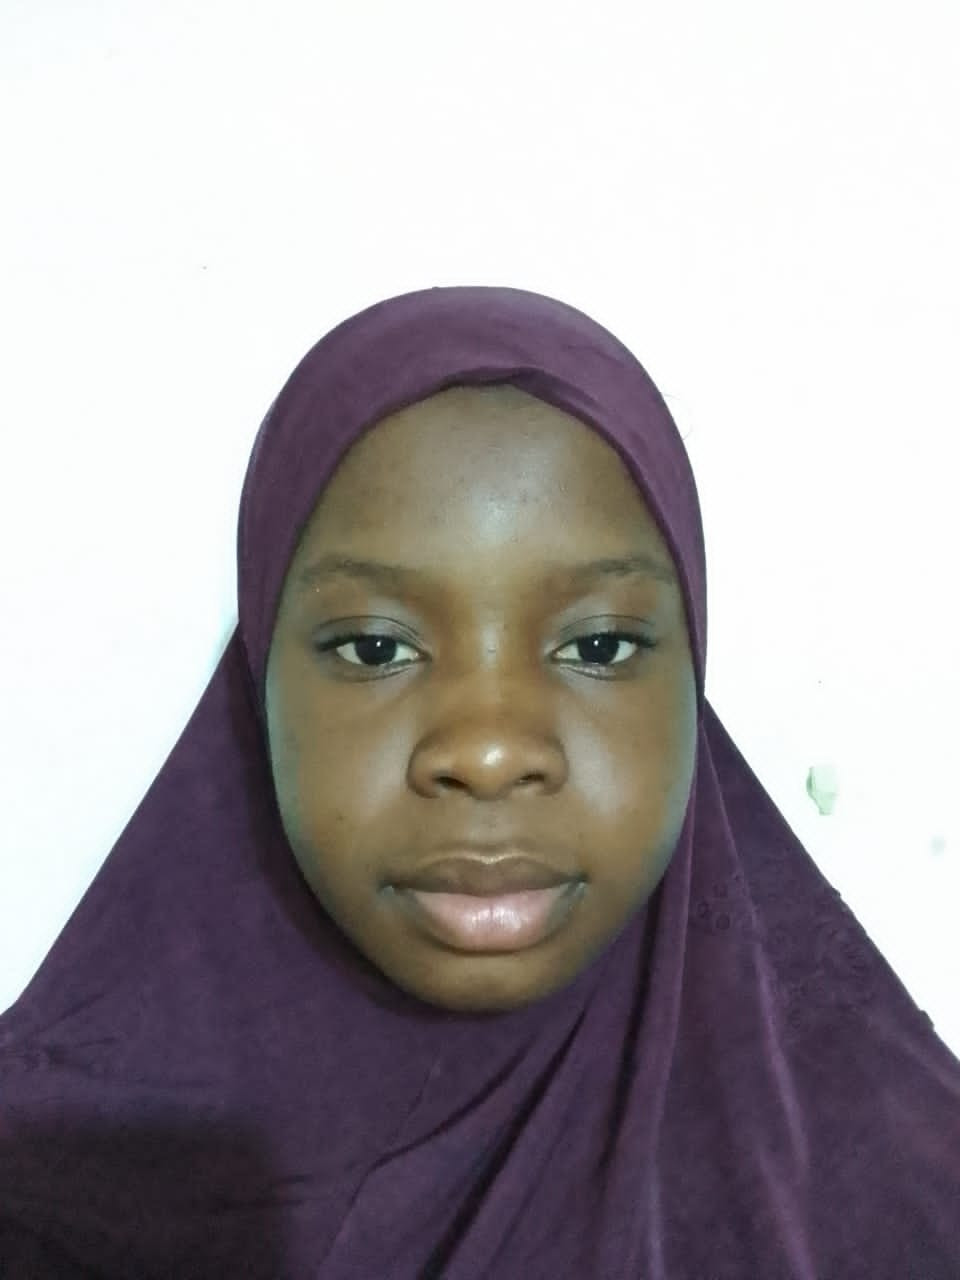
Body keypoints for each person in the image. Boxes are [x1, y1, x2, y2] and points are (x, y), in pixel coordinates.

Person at [1, 285, 957, 1277]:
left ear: (690, 677)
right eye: (375, 647)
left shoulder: (904, 1200)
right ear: (260, 686)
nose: (490, 751)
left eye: (599, 644)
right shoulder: (39, 1197)